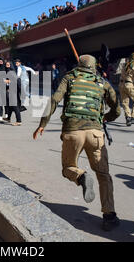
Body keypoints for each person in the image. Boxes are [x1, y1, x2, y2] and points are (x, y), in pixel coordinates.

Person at [33, 55, 121, 231]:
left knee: (68, 168)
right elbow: (116, 109)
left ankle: (81, 176)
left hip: (72, 132)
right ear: (94, 66)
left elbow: (54, 100)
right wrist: (105, 118)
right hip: (96, 134)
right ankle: (109, 215)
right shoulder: (101, 81)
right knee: (103, 175)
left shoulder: (69, 77)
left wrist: (42, 124)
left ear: (78, 65)